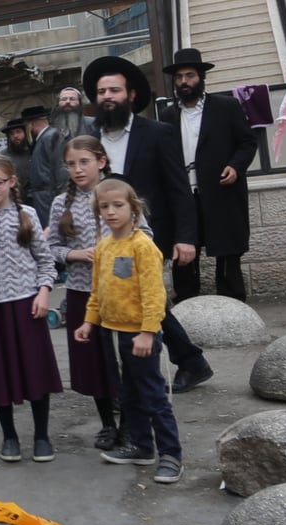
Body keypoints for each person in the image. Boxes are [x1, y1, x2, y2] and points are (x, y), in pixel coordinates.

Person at [83, 55, 215, 394]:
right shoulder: (89, 139)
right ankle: (185, 362)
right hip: (105, 236)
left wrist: (187, 238)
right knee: (132, 301)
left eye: (114, 89)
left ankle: (177, 364)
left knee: (146, 300)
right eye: (101, 91)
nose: (107, 96)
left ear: (130, 96)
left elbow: (178, 188)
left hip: (148, 235)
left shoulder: (157, 132)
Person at [75, 177, 183, 484]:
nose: (111, 212)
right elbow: (97, 291)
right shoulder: (104, 246)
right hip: (110, 332)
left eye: (118, 205)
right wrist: (88, 321)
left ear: (133, 209)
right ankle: (140, 446)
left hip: (139, 335)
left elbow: (154, 294)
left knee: (152, 395)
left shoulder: (142, 247)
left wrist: (148, 332)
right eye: (104, 207)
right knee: (127, 394)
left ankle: (171, 454)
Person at [0, 153, 62, 464]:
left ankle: (42, 436)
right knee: (1, 374)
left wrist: (44, 293)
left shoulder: (27, 214)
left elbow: (46, 262)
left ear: (12, 182)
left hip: (27, 306)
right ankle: (9, 436)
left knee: (35, 370)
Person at [158, 49, 258, 302]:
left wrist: (235, 167)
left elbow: (247, 142)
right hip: (184, 194)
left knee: (226, 248)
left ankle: (232, 303)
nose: (184, 81)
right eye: (179, 76)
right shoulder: (168, 115)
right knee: (184, 250)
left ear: (201, 78)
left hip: (220, 190)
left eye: (189, 75)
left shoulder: (226, 107)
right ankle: (188, 304)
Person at [45, 135, 123, 450]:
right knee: (94, 363)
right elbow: (50, 247)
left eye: (84, 162)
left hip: (119, 292)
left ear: (101, 162)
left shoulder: (117, 193)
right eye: (71, 164)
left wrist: (113, 254)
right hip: (81, 291)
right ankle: (107, 423)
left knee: (122, 359)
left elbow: (144, 233)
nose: (77, 170)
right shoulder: (60, 203)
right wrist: (77, 255)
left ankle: (131, 423)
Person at [28, 88, 86, 226]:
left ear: (80, 103)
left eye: (72, 99)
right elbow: (41, 183)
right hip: (61, 201)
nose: (68, 103)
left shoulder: (93, 127)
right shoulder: (49, 138)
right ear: (57, 104)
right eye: (63, 99)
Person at [0, 117, 32, 202]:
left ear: (25, 133)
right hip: (14, 201)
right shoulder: (3, 157)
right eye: (12, 133)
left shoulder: (34, 152)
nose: (15, 136)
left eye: (18, 132)